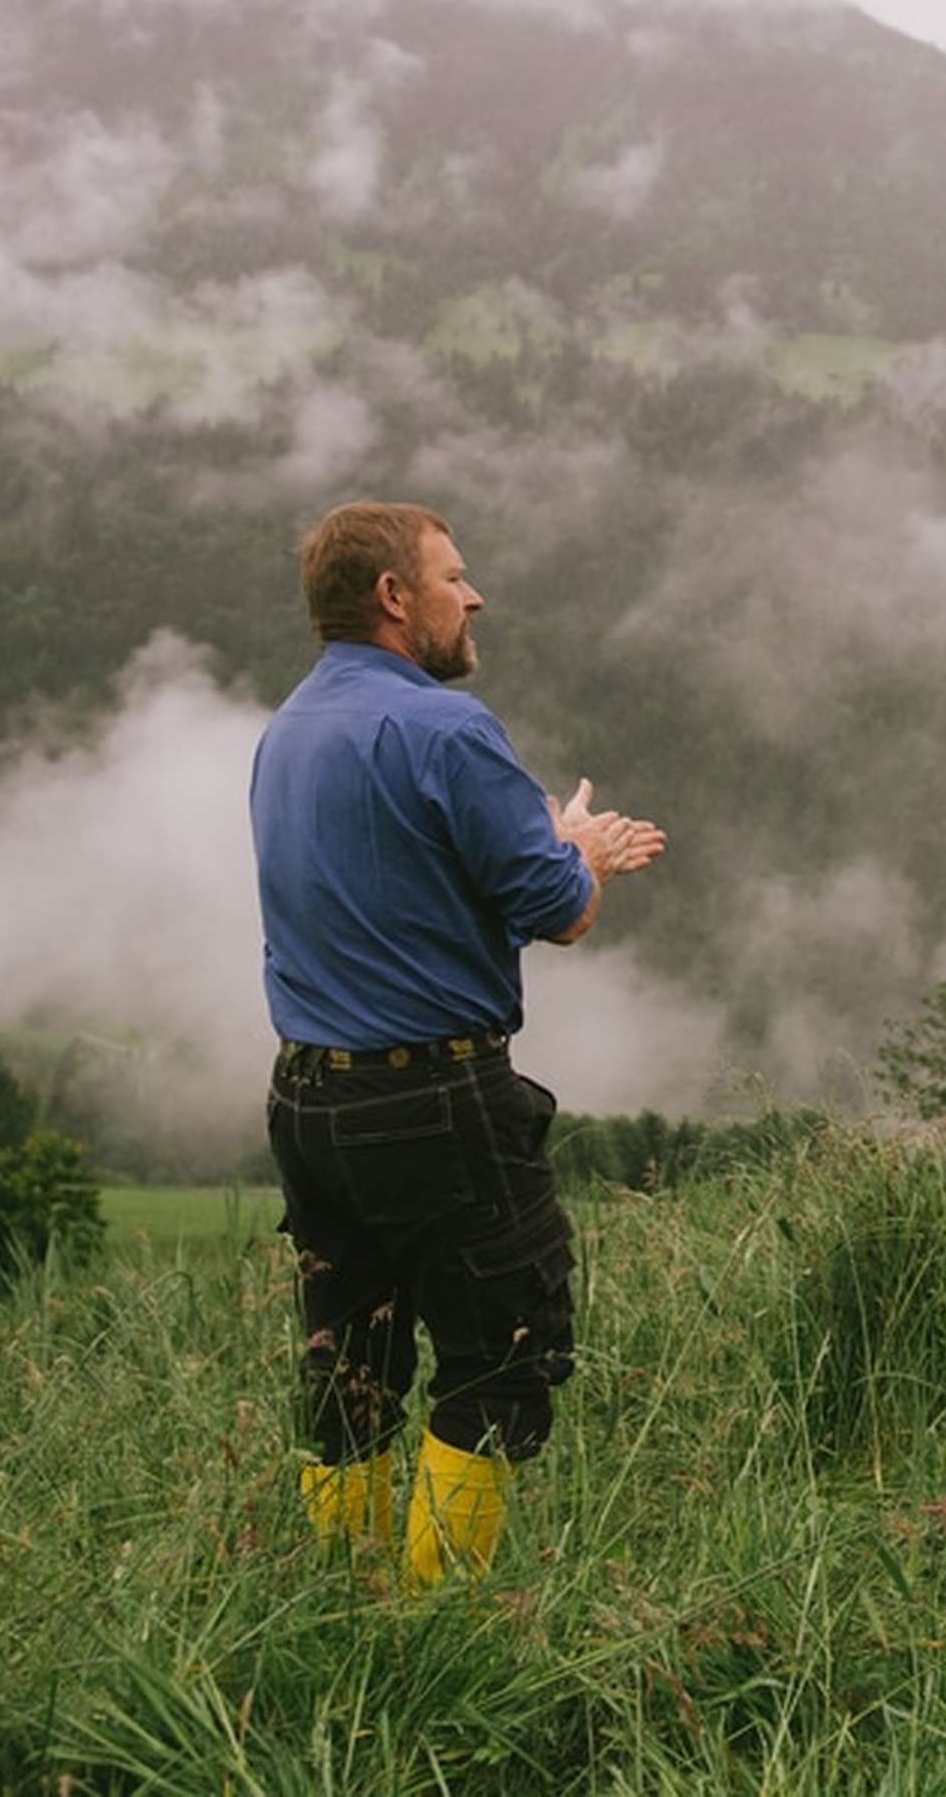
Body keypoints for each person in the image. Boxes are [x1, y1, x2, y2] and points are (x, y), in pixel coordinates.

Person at [249, 500, 664, 1590]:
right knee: (503, 1355)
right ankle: (435, 1626)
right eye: (454, 575)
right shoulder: (447, 728)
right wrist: (581, 854)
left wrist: (549, 846)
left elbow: (403, 887)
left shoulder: (285, 729)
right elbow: (556, 909)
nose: (472, 595)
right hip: (436, 1097)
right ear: (395, 596)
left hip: (309, 1101)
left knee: (352, 1360)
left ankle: (343, 1595)